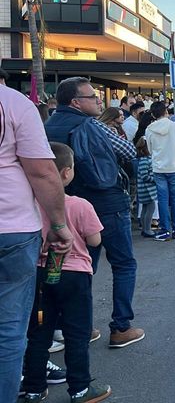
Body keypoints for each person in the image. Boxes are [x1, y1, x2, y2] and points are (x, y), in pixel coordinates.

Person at [44, 77, 144, 349]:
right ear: (76, 102)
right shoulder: (94, 126)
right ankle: (121, 327)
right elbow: (128, 151)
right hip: (106, 204)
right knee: (123, 264)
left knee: (78, 267)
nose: (100, 101)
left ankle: (77, 326)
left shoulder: (47, 127)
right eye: (93, 97)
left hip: (62, 206)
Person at [0, 67, 72, 403]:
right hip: (11, 230)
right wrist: (59, 225)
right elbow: (43, 172)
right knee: (10, 330)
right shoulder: (14, 104)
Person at [19, 143, 111, 403]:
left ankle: (34, 388)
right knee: (77, 334)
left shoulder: (32, 206)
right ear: (67, 172)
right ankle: (80, 388)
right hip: (75, 276)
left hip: (40, 273)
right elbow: (94, 241)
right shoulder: (81, 205)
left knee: (38, 333)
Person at [144, 101, 175, 242]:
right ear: (166, 112)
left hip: (159, 168)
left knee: (162, 200)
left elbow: (150, 149)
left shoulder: (149, 129)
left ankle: (164, 230)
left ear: (152, 114)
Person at [135, 139, 157, 238]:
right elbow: (144, 176)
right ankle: (147, 229)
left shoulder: (144, 159)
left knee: (145, 208)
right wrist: (154, 179)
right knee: (150, 208)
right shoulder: (145, 160)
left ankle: (145, 229)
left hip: (145, 189)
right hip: (147, 189)